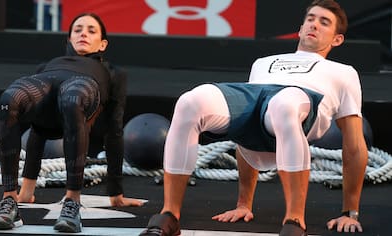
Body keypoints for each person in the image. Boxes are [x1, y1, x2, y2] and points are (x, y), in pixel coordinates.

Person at [139, 0, 368, 235]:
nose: (314, 24)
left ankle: (294, 222)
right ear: (300, 29)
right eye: (310, 18)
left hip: (296, 102)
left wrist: (350, 212)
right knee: (190, 102)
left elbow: (354, 144)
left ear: (337, 39)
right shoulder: (262, 64)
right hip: (259, 100)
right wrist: (243, 204)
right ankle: (169, 215)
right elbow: (246, 131)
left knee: (284, 103)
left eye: (324, 22)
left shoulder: (344, 72)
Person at [0, 12, 143, 233]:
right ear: (69, 39)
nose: (83, 34)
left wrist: (115, 192)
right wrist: (27, 188)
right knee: (8, 101)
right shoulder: (47, 65)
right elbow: (37, 131)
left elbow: (114, 130)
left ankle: (72, 202)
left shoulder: (114, 72)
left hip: (82, 88)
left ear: (103, 44)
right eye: (78, 30)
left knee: (71, 100)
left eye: (91, 31)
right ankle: (9, 200)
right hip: (49, 83)